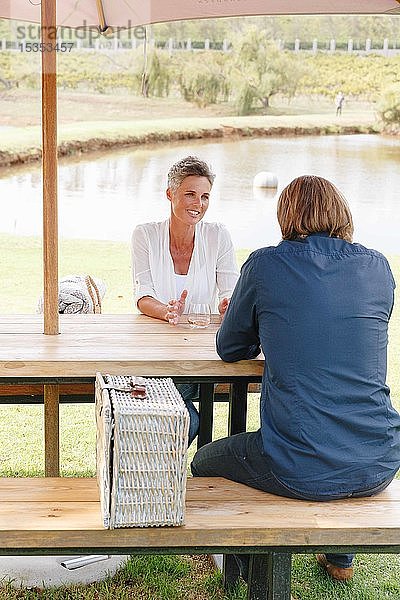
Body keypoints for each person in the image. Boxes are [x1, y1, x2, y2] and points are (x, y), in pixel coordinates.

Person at [191, 175, 400, 580]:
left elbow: (230, 347)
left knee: (204, 460)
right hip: (380, 459)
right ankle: (339, 560)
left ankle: (245, 571)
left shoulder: (267, 264)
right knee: (332, 444)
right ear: (341, 213)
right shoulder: (378, 268)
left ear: (286, 216)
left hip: (298, 465)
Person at [131, 156, 239, 445]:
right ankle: (173, 440)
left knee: (184, 412)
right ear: (170, 194)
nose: (199, 203)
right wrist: (166, 311)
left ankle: (156, 458)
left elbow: (229, 291)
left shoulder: (218, 236)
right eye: (190, 194)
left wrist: (228, 304)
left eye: (205, 196)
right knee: (186, 417)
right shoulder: (146, 234)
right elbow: (142, 296)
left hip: (203, 354)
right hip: (155, 352)